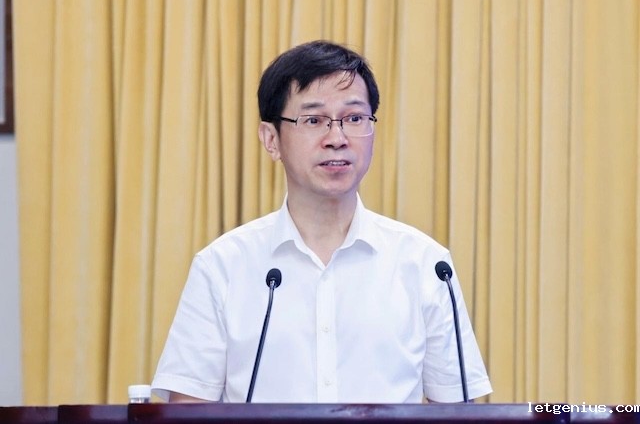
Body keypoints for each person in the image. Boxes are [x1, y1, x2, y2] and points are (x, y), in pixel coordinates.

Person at [151, 40, 492, 403]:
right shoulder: (222, 266)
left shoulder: (426, 265)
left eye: (354, 119)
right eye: (313, 120)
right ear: (271, 139)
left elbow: (457, 414)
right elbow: (188, 412)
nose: (337, 139)